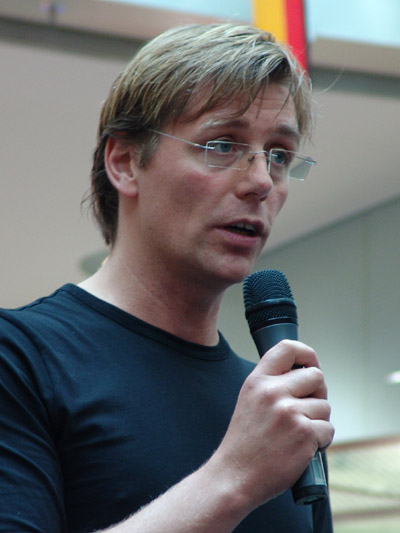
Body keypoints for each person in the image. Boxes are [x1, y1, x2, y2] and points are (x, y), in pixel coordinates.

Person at [0, 23, 334, 532]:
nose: (261, 181)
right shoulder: (20, 358)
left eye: (280, 156)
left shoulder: (276, 404)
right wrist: (233, 478)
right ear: (125, 162)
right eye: (222, 145)